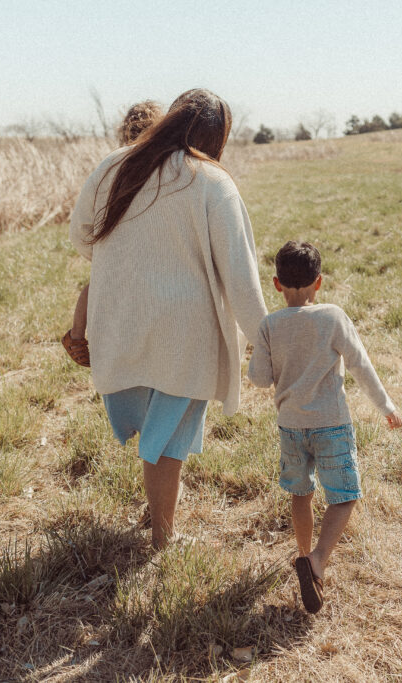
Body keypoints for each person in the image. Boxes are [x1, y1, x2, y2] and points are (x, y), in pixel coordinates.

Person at [69, 89, 267, 550]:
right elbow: (242, 279)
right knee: (167, 441)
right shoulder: (213, 182)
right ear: (218, 138)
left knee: (156, 432)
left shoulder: (113, 164)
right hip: (185, 333)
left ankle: (157, 513)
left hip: (120, 320)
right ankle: (162, 539)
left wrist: (122, 260)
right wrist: (272, 343)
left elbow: (82, 236)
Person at [247, 241, 402, 613]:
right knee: (344, 495)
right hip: (331, 423)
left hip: (291, 427)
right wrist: (386, 406)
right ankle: (316, 560)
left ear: (276, 284)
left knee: (301, 494)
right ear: (319, 283)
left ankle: (303, 555)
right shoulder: (332, 316)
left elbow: (258, 378)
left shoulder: (269, 325)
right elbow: (360, 365)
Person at [62, 100, 164, 367]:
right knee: (96, 283)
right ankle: (75, 336)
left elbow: (79, 229)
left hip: (131, 247)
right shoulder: (122, 166)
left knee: (99, 285)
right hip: (123, 247)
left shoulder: (123, 165)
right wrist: (103, 255)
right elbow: (82, 227)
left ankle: (79, 336)